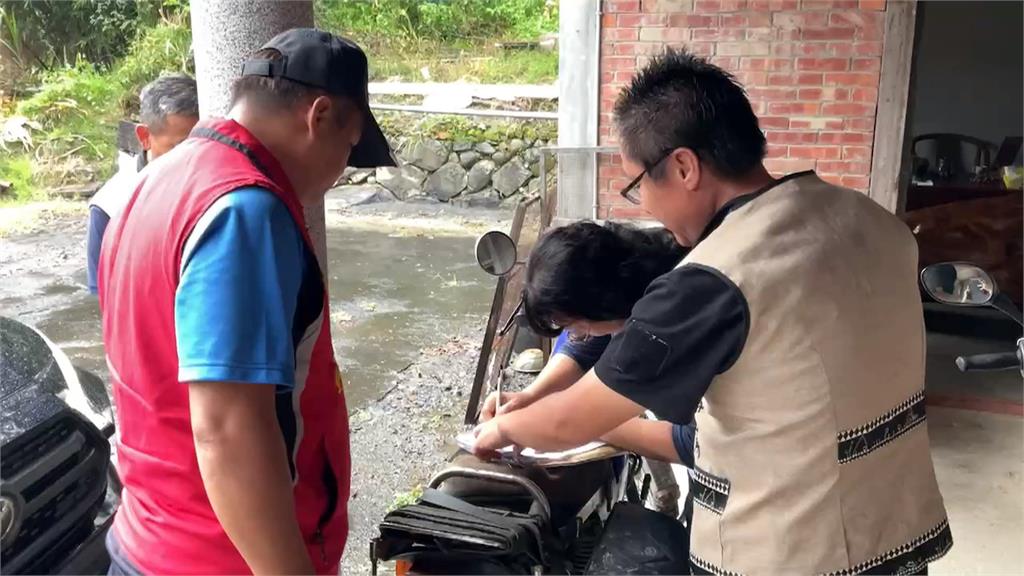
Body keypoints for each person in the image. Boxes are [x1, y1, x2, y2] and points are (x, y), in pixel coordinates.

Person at [474, 48, 951, 575]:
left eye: (637, 187)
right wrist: (535, 398)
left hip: (791, 549)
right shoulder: (870, 219)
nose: (645, 208)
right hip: (897, 534)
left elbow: (570, 422)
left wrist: (499, 432)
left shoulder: (716, 277)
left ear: (683, 167)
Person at [98, 29, 395, 575]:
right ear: (320, 116)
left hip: (147, 537)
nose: (338, 174)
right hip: (218, 559)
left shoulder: (157, 181)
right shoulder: (245, 209)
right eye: (350, 149)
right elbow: (230, 429)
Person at [479, 221, 695, 468]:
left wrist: (586, 425)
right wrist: (530, 396)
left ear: (603, 305)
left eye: (579, 328)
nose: (579, 336)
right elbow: (586, 346)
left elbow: (693, 444)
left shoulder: (667, 315)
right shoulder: (623, 261)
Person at [86, 74, 198, 294]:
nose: (193, 158)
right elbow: (107, 300)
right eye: (181, 147)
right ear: (145, 136)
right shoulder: (109, 207)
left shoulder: (214, 189)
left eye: (202, 144)